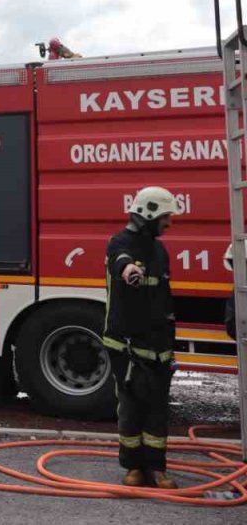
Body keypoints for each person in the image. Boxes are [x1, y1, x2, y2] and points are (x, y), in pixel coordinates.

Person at [102, 186, 178, 490]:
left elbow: (164, 298)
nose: (170, 223)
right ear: (149, 213)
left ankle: (156, 468)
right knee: (132, 407)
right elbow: (120, 259)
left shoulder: (160, 250)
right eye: (166, 216)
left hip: (158, 344)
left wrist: (171, 344)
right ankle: (133, 467)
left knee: (158, 407)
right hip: (127, 346)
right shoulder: (119, 243)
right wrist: (128, 269)